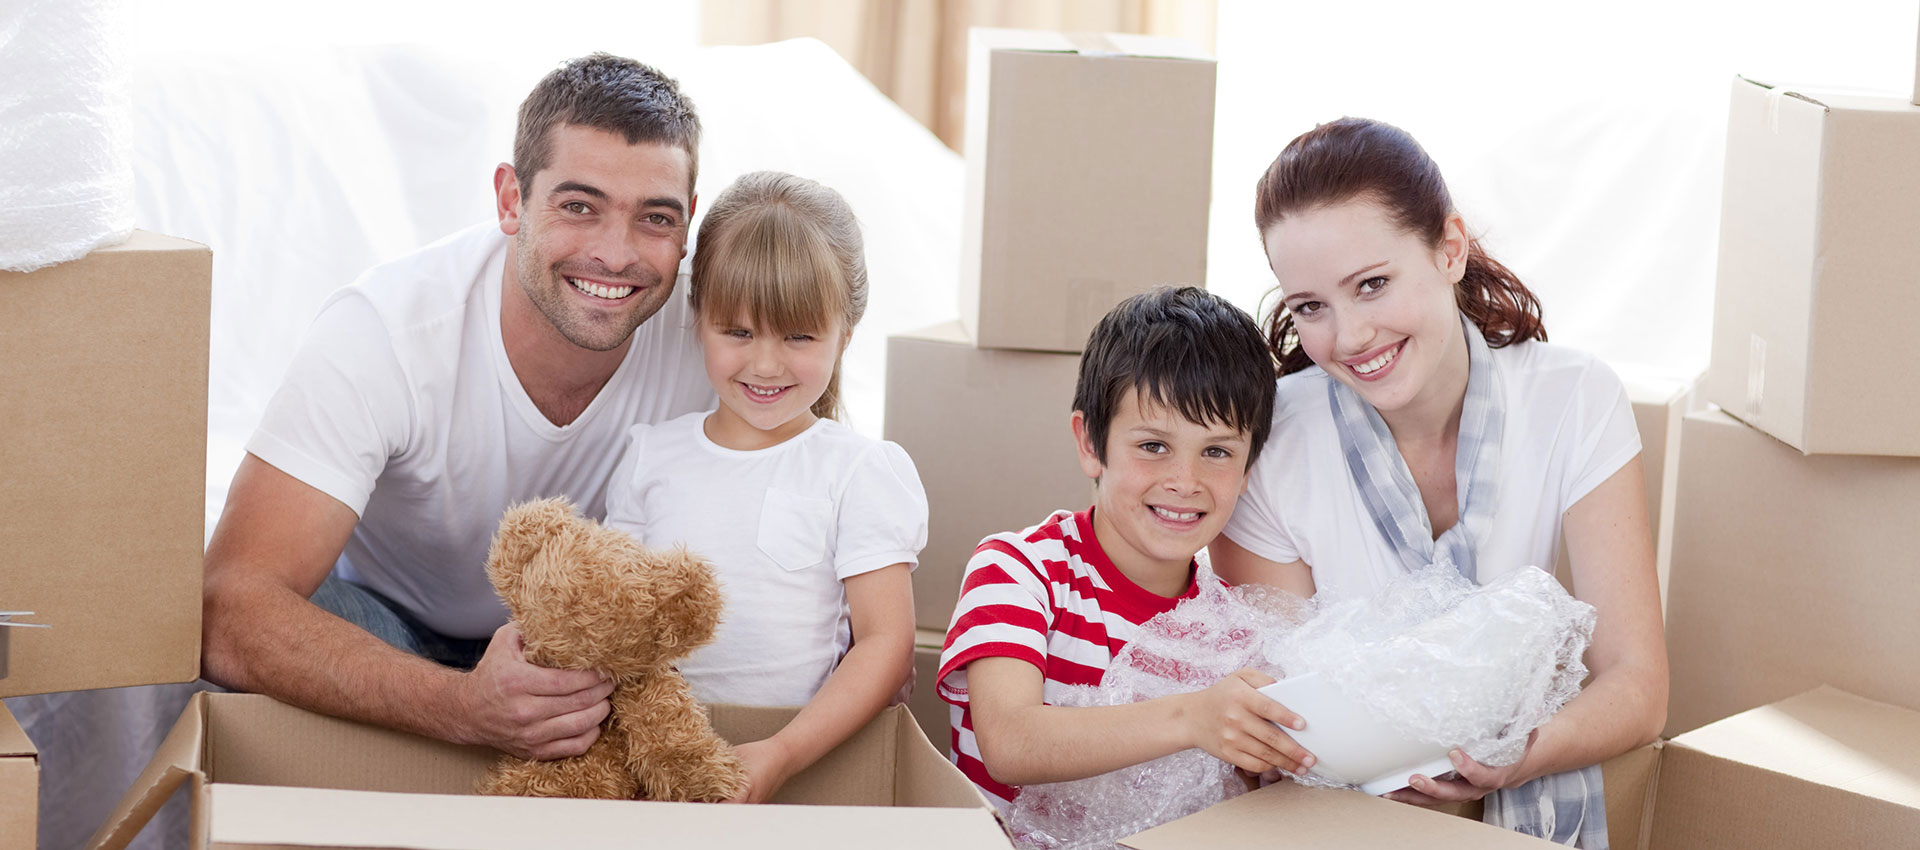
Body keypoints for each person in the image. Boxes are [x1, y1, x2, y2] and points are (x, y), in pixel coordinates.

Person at [200, 53, 714, 762]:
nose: (615, 254)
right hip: (389, 626)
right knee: (288, 631)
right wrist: (464, 707)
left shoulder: (719, 337)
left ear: (687, 227)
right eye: (579, 206)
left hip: (590, 655)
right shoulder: (383, 332)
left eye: (654, 219)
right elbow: (227, 605)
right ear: (511, 200)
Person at [1212, 117, 1667, 847]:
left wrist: (1520, 755)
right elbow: (1279, 724)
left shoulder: (1573, 400)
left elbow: (1637, 686)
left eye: (1372, 285)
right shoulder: (1271, 443)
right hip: (1337, 828)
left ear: (1449, 249)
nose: (1351, 336)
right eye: (1310, 307)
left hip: (1521, 801)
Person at [602, 170, 922, 803]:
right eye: (739, 332)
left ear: (845, 335)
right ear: (698, 321)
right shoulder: (652, 455)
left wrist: (781, 753)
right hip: (653, 756)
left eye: (799, 336)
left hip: (798, 759)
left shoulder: (858, 470)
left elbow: (887, 642)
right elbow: (615, 618)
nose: (767, 365)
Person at [935, 286, 1307, 812]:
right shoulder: (1018, 570)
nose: (1185, 481)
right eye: (1153, 446)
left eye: (1217, 451)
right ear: (1090, 443)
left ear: (1249, 470)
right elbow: (1010, 743)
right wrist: (1192, 719)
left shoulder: (1237, 630)